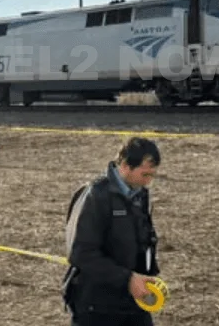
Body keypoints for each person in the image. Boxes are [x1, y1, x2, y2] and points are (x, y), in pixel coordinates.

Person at [63, 137, 161, 326]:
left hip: (132, 301)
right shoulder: (95, 196)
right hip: (97, 306)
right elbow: (81, 254)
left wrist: (147, 275)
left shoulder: (140, 193)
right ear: (125, 166)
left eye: (152, 175)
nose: (149, 181)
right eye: (145, 174)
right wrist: (127, 279)